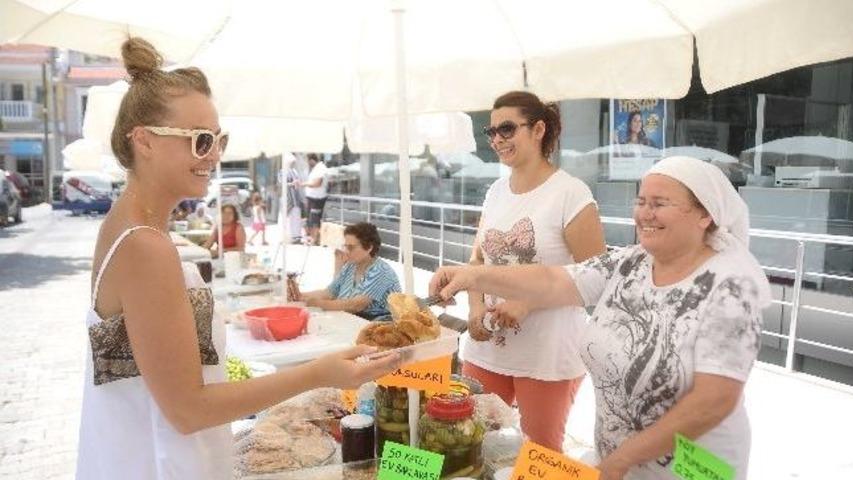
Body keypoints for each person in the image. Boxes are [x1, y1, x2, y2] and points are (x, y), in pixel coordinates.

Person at [77, 37, 401, 480]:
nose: (213, 156)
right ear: (144, 141)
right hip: (158, 462)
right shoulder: (144, 244)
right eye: (200, 140)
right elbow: (188, 410)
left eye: (218, 139)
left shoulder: (129, 229)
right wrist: (317, 374)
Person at [430, 156, 771, 480]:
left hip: (685, 469)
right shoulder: (630, 263)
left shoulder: (732, 286)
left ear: (704, 215)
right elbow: (553, 280)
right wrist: (473, 276)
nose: (645, 214)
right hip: (616, 464)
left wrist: (623, 458)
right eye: (641, 201)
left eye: (659, 203)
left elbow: (714, 401)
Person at [466, 91, 606, 452]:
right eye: (491, 131)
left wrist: (528, 303)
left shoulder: (570, 193)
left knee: (539, 451)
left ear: (539, 129)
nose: (497, 139)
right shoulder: (495, 191)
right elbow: (477, 262)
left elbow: (596, 277)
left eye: (508, 129)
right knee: (471, 439)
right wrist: (475, 308)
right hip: (489, 345)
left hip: (548, 348)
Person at [298, 222, 401, 320]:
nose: (346, 252)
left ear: (369, 247)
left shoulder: (381, 271)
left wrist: (318, 303)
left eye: (351, 248)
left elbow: (356, 305)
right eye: (345, 247)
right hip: (351, 319)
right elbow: (329, 293)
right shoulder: (351, 266)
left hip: (377, 326)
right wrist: (300, 295)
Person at [298, 153, 328, 245]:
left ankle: (314, 240)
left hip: (317, 199)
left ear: (312, 160)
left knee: (315, 220)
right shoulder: (316, 169)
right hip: (312, 198)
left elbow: (317, 183)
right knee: (310, 220)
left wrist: (302, 184)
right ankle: (312, 239)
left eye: (308, 161)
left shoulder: (320, 168)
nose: (308, 163)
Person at [282, 154, 304, 244]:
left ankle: (297, 236)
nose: (292, 163)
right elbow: (282, 184)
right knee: (288, 218)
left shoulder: (294, 171)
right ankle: (290, 237)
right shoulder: (282, 171)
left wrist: (298, 183)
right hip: (288, 198)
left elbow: (298, 182)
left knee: (296, 217)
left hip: (296, 197)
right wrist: (292, 183)